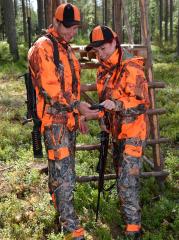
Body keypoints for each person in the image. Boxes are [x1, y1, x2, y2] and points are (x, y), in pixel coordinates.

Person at [28, 3, 98, 240]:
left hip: (67, 121)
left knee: (62, 172)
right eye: (67, 27)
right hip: (53, 121)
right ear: (55, 22)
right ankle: (71, 230)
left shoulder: (65, 49)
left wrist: (77, 115)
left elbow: (73, 88)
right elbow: (51, 88)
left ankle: (59, 210)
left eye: (74, 28)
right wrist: (78, 106)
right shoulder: (43, 48)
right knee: (65, 176)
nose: (70, 32)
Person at [84, 25, 150, 239]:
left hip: (133, 132)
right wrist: (104, 121)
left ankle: (134, 230)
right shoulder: (103, 69)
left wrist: (118, 104)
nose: (100, 54)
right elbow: (104, 102)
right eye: (96, 51)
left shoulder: (131, 67)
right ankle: (128, 217)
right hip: (115, 132)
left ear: (114, 41)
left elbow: (141, 104)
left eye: (103, 48)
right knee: (122, 175)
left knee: (127, 181)